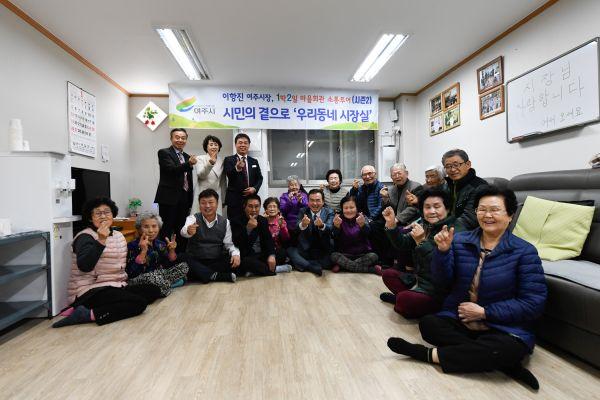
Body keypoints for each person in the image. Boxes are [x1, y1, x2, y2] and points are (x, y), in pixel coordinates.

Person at [386, 186, 547, 390]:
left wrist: (485, 312)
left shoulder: (525, 251)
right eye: (482, 209)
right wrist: (442, 253)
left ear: (510, 215)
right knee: (429, 324)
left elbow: (533, 303)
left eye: (495, 210)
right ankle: (504, 364)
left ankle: (427, 354)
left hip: (502, 325)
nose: (487, 215)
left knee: (509, 347)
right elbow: (442, 282)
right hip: (460, 318)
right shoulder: (460, 240)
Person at [53, 198, 162, 328]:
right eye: (98, 213)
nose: (103, 216)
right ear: (90, 218)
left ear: (113, 215)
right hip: (89, 290)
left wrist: (143, 252)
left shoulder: (118, 235)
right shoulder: (84, 237)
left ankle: (94, 307)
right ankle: (86, 313)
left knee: (153, 290)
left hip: (115, 285)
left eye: (107, 212)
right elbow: (85, 266)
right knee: (139, 303)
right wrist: (101, 240)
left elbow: (125, 267)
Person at [379, 188, 456, 318]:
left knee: (404, 301)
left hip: (438, 290)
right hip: (419, 281)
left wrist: (421, 241)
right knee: (388, 274)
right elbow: (402, 244)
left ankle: (406, 301)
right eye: (427, 207)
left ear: (447, 209)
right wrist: (391, 224)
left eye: (437, 207)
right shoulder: (425, 224)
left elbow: (442, 269)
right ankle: (407, 298)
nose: (432, 211)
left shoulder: (453, 230)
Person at [180, 189, 240, 283]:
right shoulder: (193, 218)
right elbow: (183, 232)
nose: (207, 206)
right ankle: (216, 275)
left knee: (233, 259)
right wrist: (188, 231)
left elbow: (229, 244)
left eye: (211, 202)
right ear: (199, 205)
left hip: (215, 260)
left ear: (217, 204)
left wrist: (235, 254)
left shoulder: (225, 222)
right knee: (182, 257)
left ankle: (203, 274)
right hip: (196, 259)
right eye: (203, 203)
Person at [125, 212, 189, 297]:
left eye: (154, 226)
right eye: (146, 227)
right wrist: (143, 251)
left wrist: (172, 250)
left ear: (159, 228)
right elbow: (132, 273)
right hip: (140, 279)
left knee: (184, 266)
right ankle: (167, 285)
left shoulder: (160, 244)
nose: (151, 230)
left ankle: (162, 286)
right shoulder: (132, 245)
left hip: (159, 275)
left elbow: (168, 264)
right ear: (139, 229)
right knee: (153, 277)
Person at [154, 128, 196, 248]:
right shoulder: (164, 153)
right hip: (168, 198)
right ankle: (163, 255)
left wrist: (190, 199)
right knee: (166, 228)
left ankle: (180, 255)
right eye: (177, 137)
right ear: (171, 138)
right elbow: (171, 170)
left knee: (182, 229)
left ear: (186, 140)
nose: (180, 140)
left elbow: (188, 180)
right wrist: (189, 164)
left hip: (184, 198)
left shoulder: (187, 156)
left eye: (183, 138)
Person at [287, 189, 334, 276]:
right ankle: (311, 266)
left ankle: (304, 264)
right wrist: (303, 224)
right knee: (290, 250)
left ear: (323, 202)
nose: (315, 203)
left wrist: (322, 225)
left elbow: (330, 228)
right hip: (306, 249)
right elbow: (296, 229)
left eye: (318, 200)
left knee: (332, 257)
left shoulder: (329, 211)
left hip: (323, 250)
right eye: (312, 200)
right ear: (308, 202)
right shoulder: (303, 211)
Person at [230, 194, 279, 277]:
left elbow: (269, 240)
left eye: (256, 206)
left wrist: (271, 256)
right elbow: (237, 243)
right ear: (244, 207)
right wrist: (248, 229)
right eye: (250, 206)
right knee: (246, 262)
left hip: (261, 254)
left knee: (281, 253)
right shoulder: (236, 221)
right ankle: (274, 270)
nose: (254, 210)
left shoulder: (263, 220)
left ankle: (256, 271)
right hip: (247, 255)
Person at [441, 149, 488, 230]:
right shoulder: (447, 185)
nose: (452, 169)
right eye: (448, 166)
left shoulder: (479, 187)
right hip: (448, 226)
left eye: (456, 165)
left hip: (468, 231)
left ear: (468, 164)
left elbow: (469, 220)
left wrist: (446, 231)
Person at [330, 196, 379, 273]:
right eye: (346, 208)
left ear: (356, 208)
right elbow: (334, 237)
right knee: (334, 256)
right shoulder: (338, 219)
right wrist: (336, 227)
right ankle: (370, 270)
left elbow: (369, 234)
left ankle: (343, 266)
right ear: (342, 209)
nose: (349, 210)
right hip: (344, 254)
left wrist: (362, 225)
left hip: (362, 254)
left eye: (352, 207)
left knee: (374, 256)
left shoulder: (362, 217)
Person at [223, 133, 263, 220]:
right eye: (240, 142)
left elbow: (260, 178)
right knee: (234, 224)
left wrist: (254, 188)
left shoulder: (254, 161)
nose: (243, 145)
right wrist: (237, 168)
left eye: (245, 143)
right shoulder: (229, 160)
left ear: (249, 145)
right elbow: (229, 175)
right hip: (234, 200)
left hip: (251, 200)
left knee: (250, 223)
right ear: (235, 144)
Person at [193, 135, 226, 214]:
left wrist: (223, 199)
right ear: (206, 147)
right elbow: (201, 175)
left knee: (215, 218)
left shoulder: (221, 160)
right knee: (200, 217)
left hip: (216, 194)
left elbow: (223, 181)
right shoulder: (200, 158)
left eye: (216, 144)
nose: (214, 147)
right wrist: (210, 164)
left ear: (219, 147)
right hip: (202, 193)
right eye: (211, 145)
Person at [263, 197, 292, 272]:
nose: (272, 209)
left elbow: (286, 238)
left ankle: (263, 269)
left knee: (282, 253)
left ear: (278, 209)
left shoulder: (281, 221)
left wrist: (281, 226)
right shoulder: (262, 220)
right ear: (266, 210)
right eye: (269, 207)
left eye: (274, 206)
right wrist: (263, 223)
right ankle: (278, 269)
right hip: (265, 250)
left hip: (277, 250)